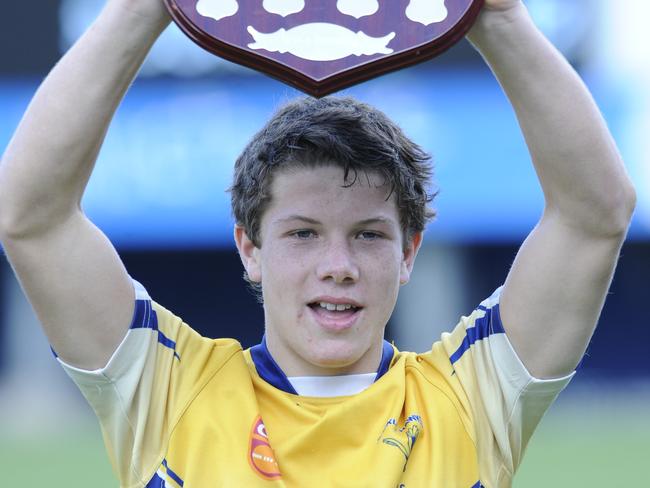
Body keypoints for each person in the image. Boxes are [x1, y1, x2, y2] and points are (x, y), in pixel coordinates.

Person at [0, 0, 636, 486]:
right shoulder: (169, 387)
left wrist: (498, 17)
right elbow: (33, 216)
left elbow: (595, 214)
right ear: (249, 247)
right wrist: (139, 12)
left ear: (410, 252)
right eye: (303, 234)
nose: (339, 267)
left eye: (369, 235)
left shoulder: (467, 397)